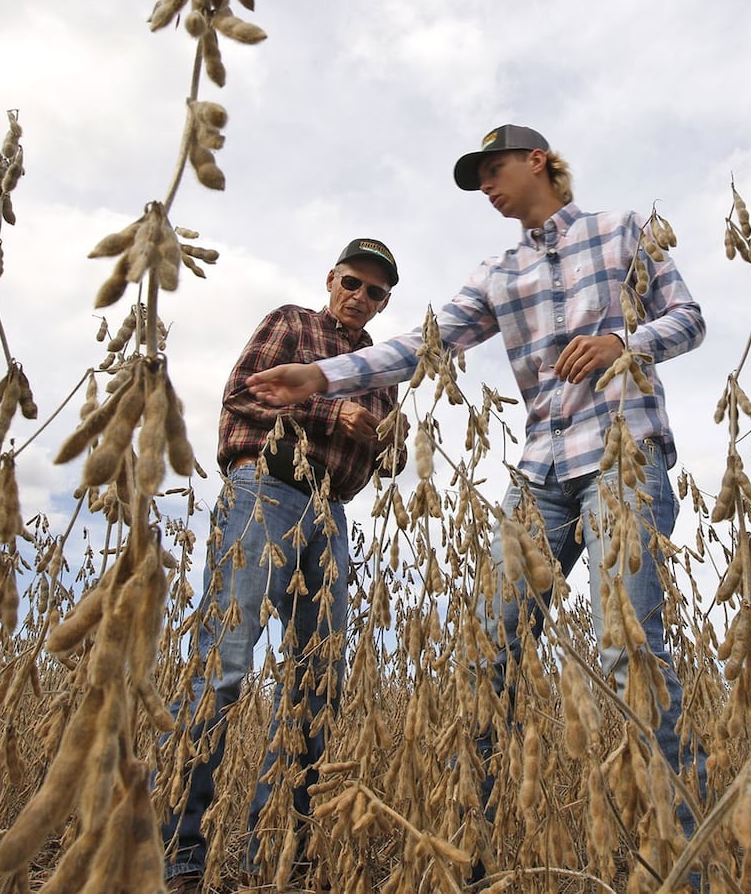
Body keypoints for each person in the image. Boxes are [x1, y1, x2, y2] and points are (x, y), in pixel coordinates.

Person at [247, 125, 709, 880]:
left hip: (625, 458)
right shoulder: (498, 273)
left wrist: (625, 340)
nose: (486, 187)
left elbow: (688, 320)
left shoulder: (621, 233)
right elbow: (421, 344)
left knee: (631, 655)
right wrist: (325, 378)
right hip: (539, 477)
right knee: (487, 660)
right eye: (478, 178)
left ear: (538, 162)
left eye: (494, 170)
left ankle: (684, 871)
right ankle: (468, 865)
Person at [161, 238, 406, 893]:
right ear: (332, 279)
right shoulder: (294, 323)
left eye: (376, 292)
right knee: (226, 660)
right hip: (266, 488)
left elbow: (393, 460)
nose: (361, 297)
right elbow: (245, 393)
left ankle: (280, 854)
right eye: (353, 282)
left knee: (316, 683)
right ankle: (181, 852)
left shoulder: (384, 368)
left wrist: (386, 438)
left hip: (332, 511)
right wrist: (333, 410)